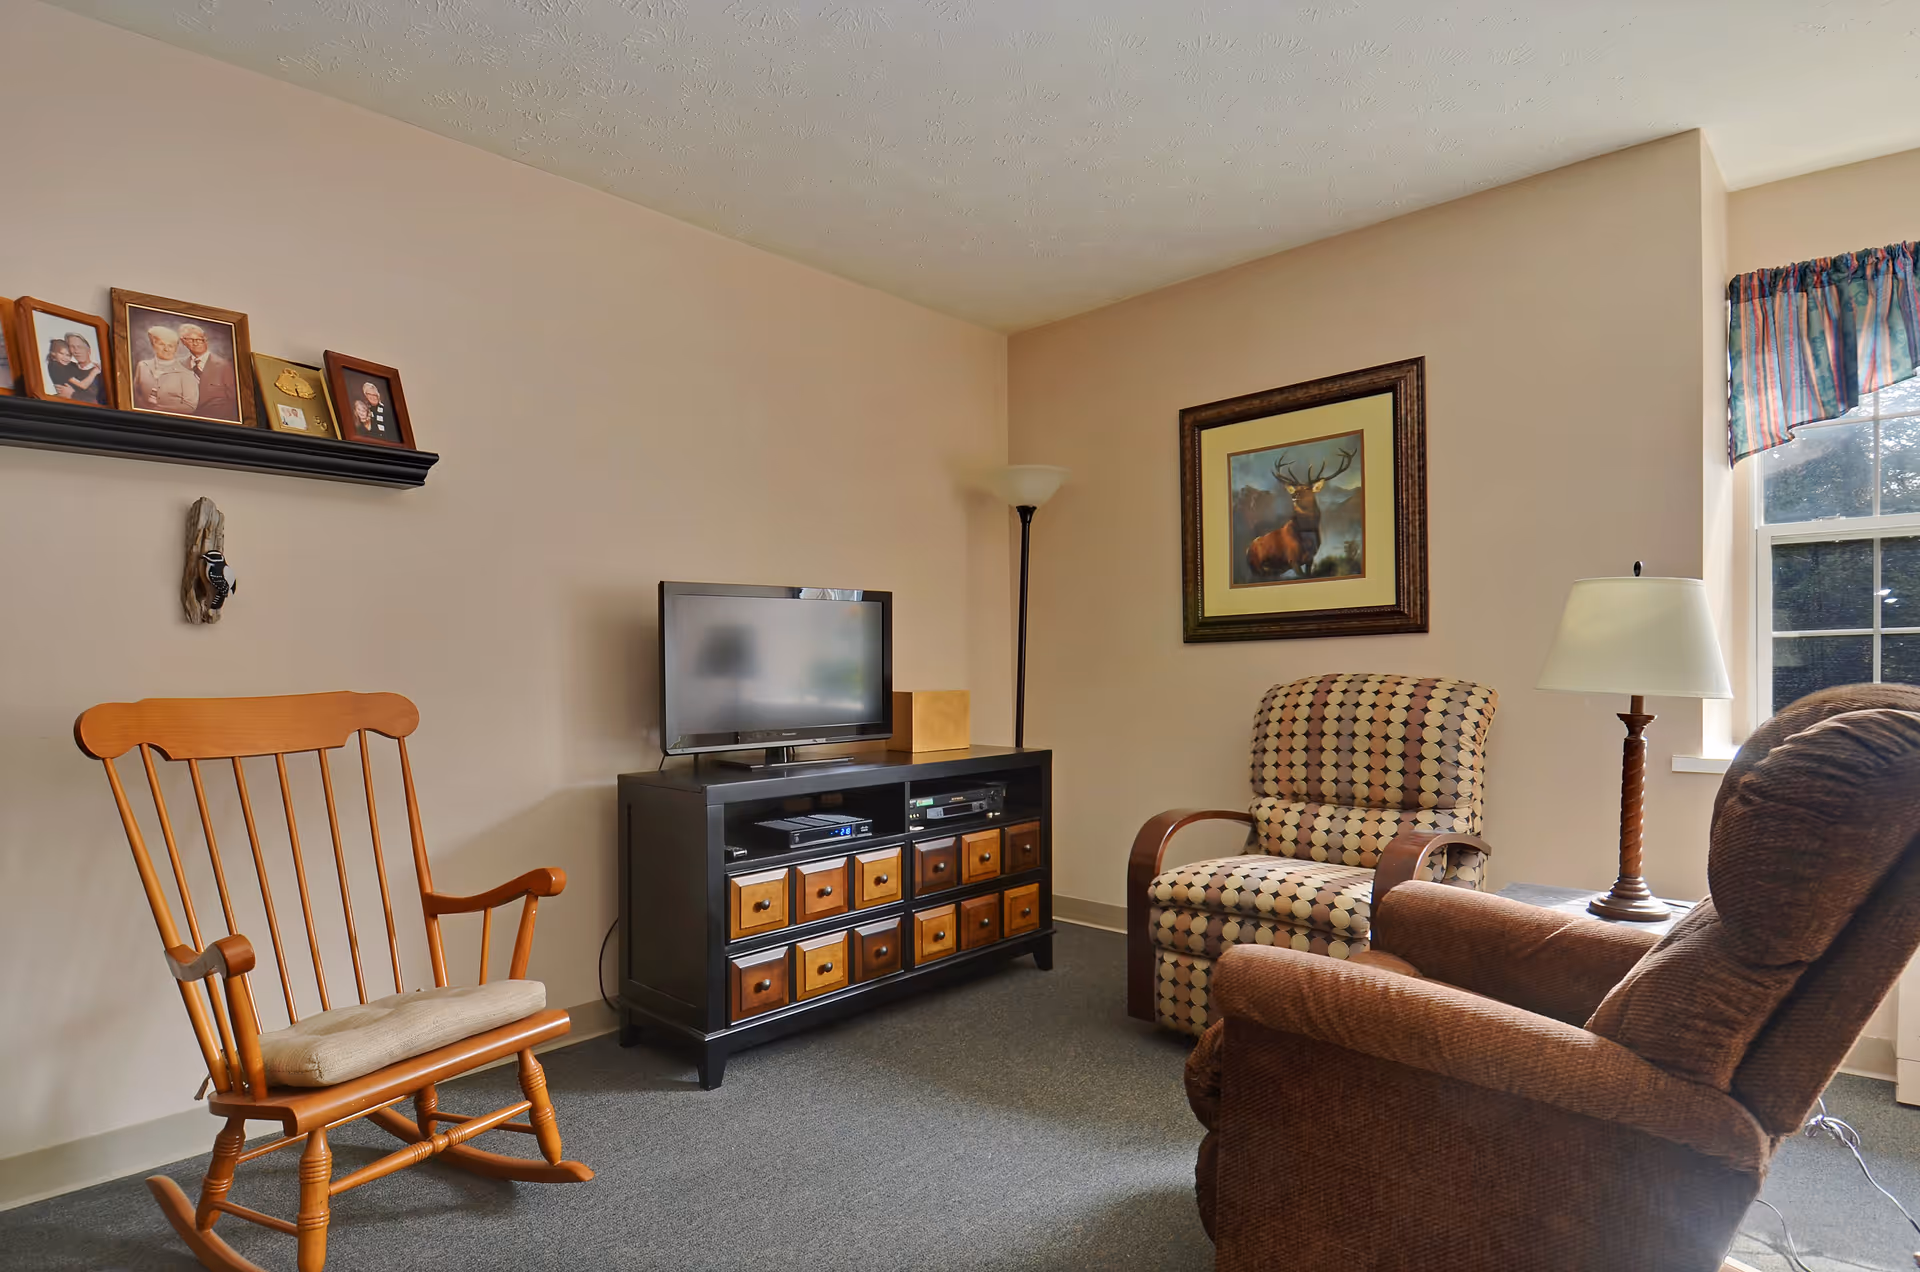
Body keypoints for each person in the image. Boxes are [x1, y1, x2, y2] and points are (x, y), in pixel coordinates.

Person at [176, 323, 238, 421]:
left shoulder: (224, 366)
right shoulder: (178, 365)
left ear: (205, 340)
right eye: (191, 340)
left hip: (217, 422)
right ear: (183, 341)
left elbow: (235, 401)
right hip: (184, 422)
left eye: (199, 339)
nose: (195, 343)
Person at [132, 326, 198, 414]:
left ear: (176, 348)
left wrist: (157, 410)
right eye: (161, 344)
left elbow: (190, 406)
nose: (166, 349)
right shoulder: (143, 366)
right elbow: (134, 394)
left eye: (171, 346)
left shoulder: (186, 374)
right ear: (153, 344)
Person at [62, 333, 104, 405]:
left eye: (79, 347)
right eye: (72, 347)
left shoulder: (100, 372)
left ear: (89, 350)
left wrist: (73, 395)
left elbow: (101, 401)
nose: (76, 351)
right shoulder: (67, 368)